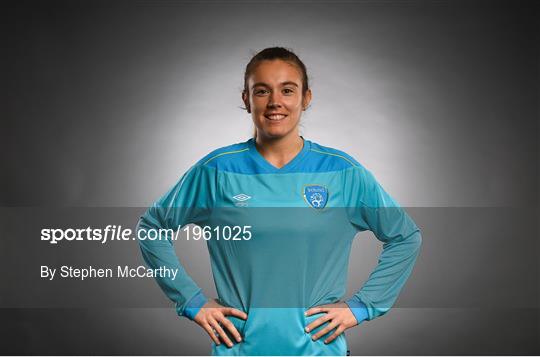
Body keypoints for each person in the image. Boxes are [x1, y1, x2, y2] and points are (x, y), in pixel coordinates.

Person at [136, 47, 422, 356]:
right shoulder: (217, 170)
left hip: (320, 352)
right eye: (261, 91)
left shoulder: (342, 172)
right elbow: (152, 228)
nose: (275, 102)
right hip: (239, 351)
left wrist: (362, 306)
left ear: (306, 98)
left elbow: (405, 237)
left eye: (287, 90)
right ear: (247, 100)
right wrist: (191, 302)